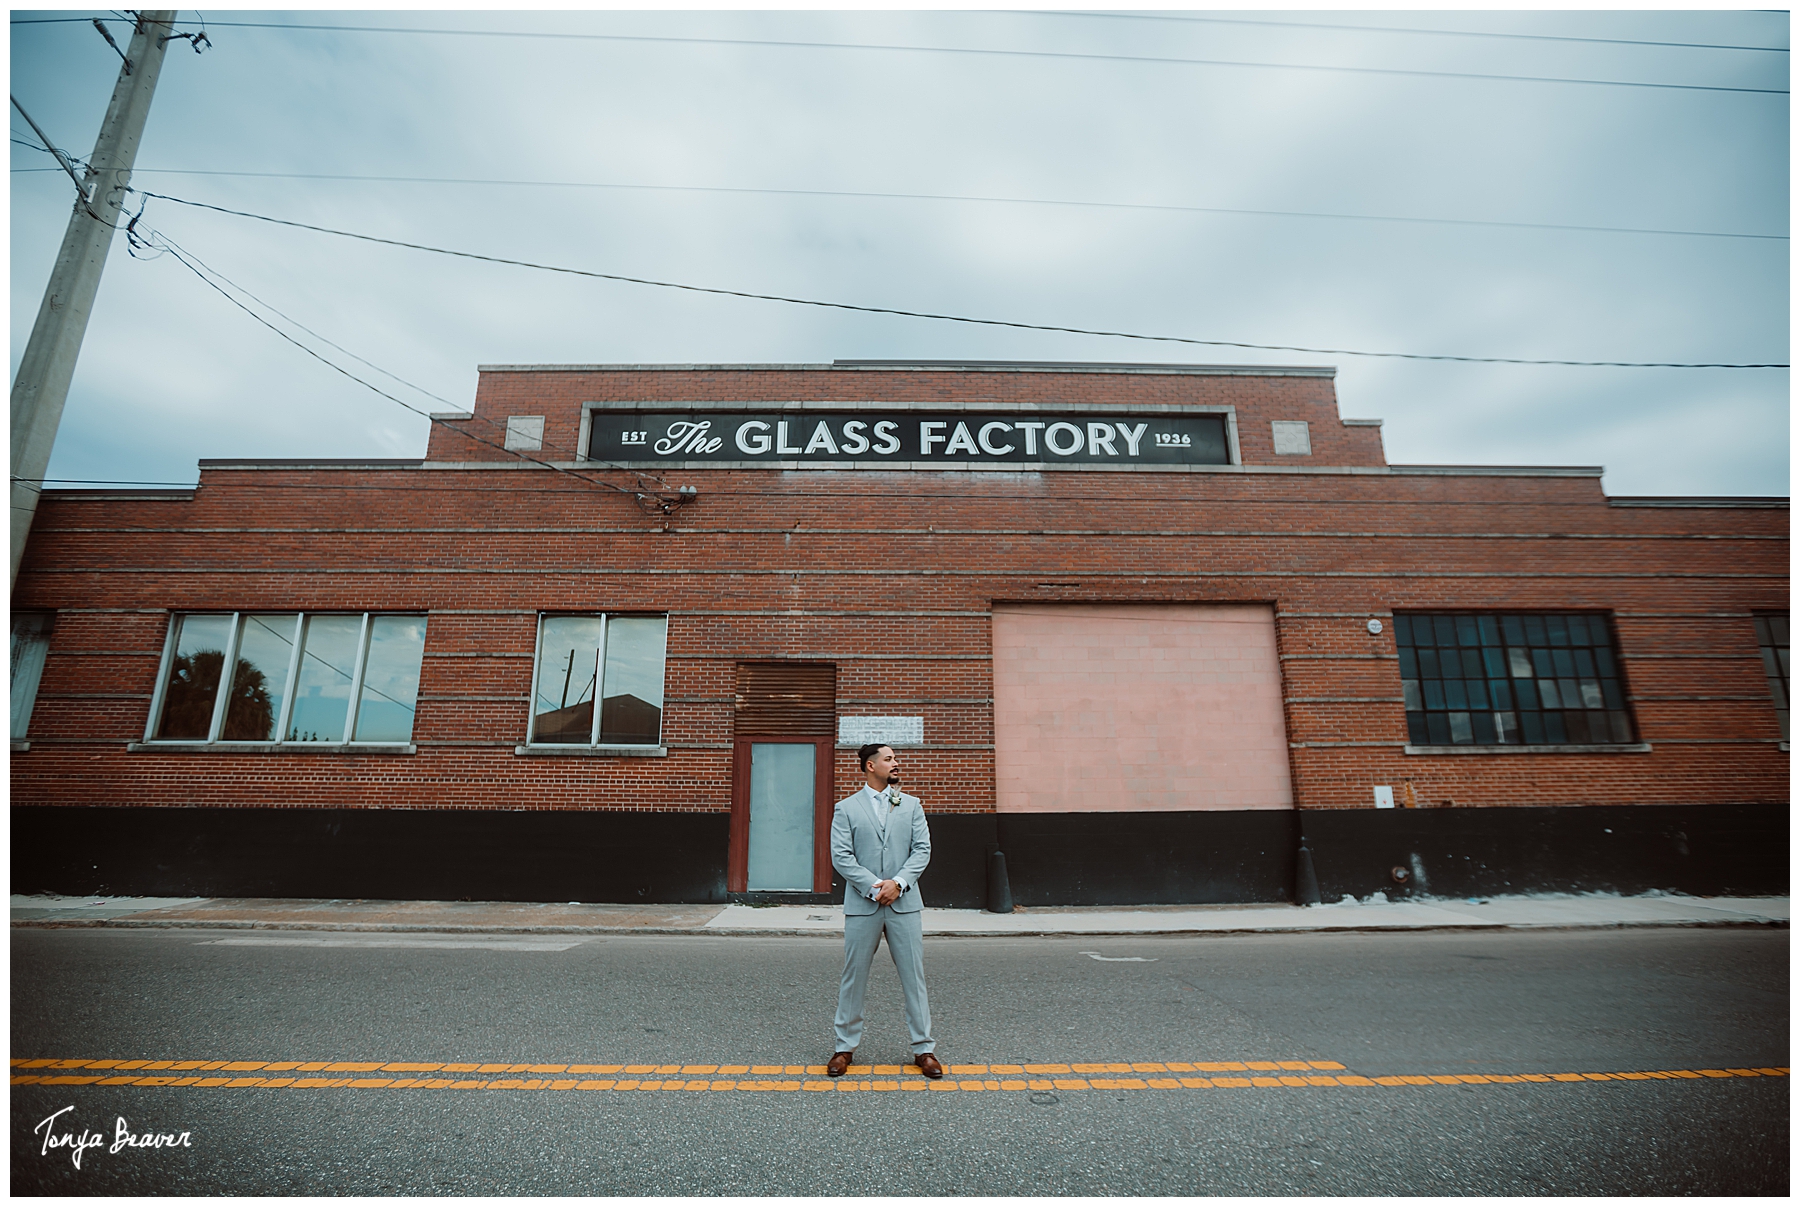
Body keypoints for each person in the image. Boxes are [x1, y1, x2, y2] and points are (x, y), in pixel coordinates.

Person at [826, 742, 942, 1079]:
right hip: (864, 906)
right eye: (889, 759)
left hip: (904, 905)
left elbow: (922, 849)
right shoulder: (845, 808)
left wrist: (899, 883)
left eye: (895, 758)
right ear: (870, 766)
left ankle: (924, 1049)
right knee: (853, 977)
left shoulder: (912, 805)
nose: (895, 763)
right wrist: (876, 887)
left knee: (914, 978)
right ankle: (844, 1047)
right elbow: (841, 856)